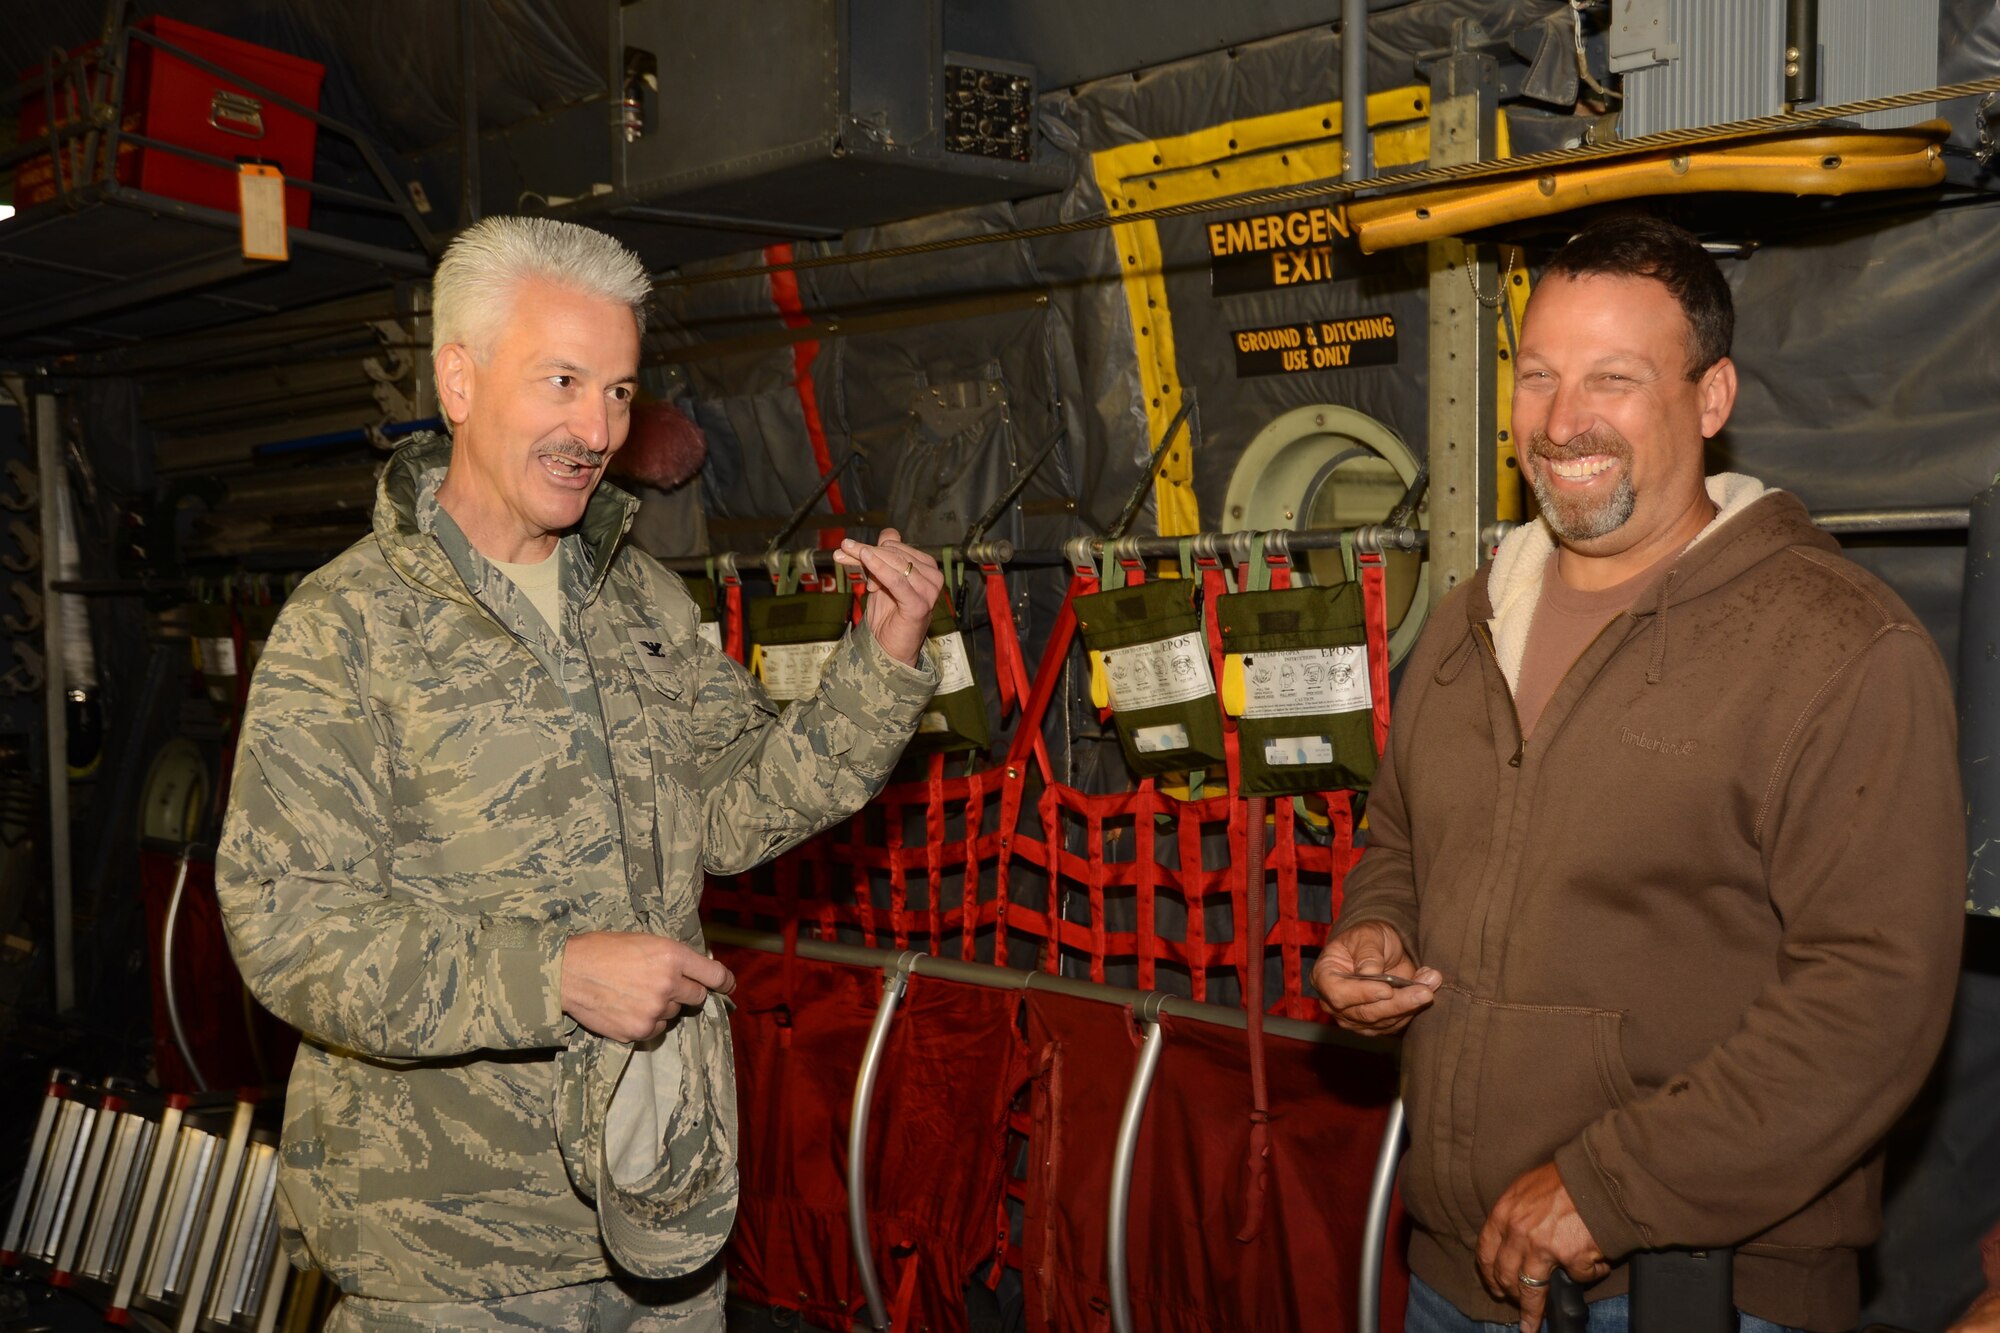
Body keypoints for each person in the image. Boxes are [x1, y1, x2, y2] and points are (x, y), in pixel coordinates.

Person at [217, 216, 942, 1331]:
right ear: (457, 380)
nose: (594, 427)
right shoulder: (347, 626)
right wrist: (550, 974)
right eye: (562, 381)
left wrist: (879, 666)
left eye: (617, 391)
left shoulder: (640, 601)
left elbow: (734, 811)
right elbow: (286, 926)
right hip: (454, 1254)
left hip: (660, 1216)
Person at [1312, 213, 1964, 1333]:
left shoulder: (1835, 644)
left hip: (1693, 1289)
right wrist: (1378, 933)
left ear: (1710, 399)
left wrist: (1615, 1186)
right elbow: (1401, 839)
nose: (1562, 423)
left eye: (1612, 379)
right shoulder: (1475, 615)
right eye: (1538, 377)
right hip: (1449, 1275)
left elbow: (1873, 994)